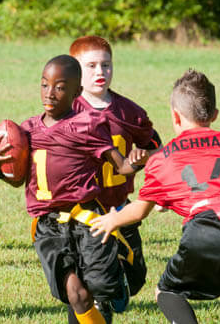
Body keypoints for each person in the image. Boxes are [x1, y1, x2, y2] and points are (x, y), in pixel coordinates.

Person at [89, 69, 220, 324]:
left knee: (168, 292)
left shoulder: (163, 157)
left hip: (208, 227)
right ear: (214, 115)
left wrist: (111, 221)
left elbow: (139, 210)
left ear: (175, 117)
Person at [0, 55, 147, 324]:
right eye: (44, 85)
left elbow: (122, 167)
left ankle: (119, 266)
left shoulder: (88, 125)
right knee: (75, 294)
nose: (50, 93)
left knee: (100, 289)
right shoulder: (28, 130)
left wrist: (136, 162)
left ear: (76, 92)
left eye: (60, 87)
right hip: (48, 226)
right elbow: (17, 181)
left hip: (88, 218)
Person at [70, 36, 162, 304]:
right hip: (85, 209)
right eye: (91, 66)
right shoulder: (68, 111)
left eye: (106, 65)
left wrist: (143, 156)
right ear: (75, 71)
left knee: (135, 280)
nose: (100, 72)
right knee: (96, 279)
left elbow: (158, 151)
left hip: (121, 204)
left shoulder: (130, 112)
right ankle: (96, 304)